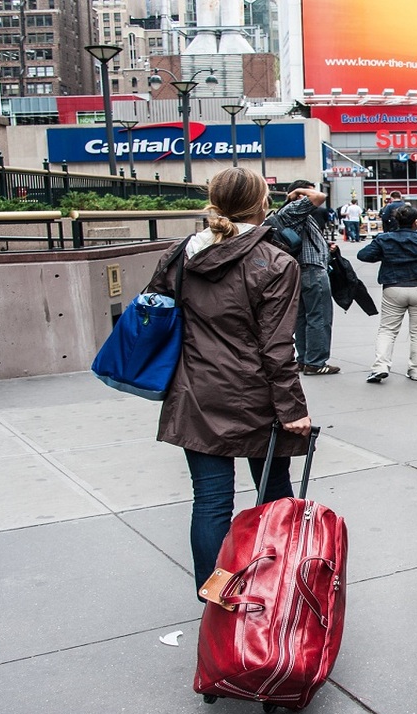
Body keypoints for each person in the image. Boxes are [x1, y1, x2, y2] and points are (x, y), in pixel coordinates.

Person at [148, 167, 313, 596]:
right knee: (275, 496)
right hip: (255, 396)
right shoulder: (275, 263)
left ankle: (217, 601)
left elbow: (159, 314)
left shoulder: (181, 254)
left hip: (195, 391)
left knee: (210, 500)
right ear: (263, 206)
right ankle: (275, 592)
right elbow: (277, 348)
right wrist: (293, 409)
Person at [356, 204, 417, 382]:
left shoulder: (384, 239)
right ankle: (416, 370)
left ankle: (380, 366)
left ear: (396, 220)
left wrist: (385, 254)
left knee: (387, 330)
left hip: (393, 287)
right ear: (416, 222)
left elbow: (363, 255)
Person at [277, 182, 341, 376]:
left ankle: (305, 359)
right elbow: (319, 197)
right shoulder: (294, 208)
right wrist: (298, 192)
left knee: (303, 317)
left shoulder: (291, 212)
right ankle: (316, 361)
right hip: (311, 269)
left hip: (301, 269)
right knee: (319, 315)